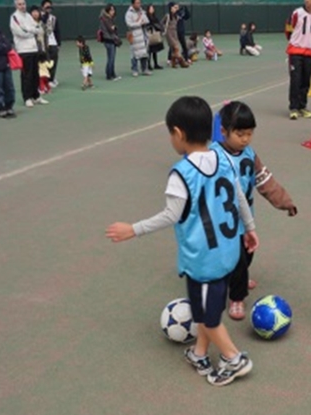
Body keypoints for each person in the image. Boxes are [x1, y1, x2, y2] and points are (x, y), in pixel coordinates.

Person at [106, 96, 259, 387]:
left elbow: (171, 215)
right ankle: (200, 353)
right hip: (228, 252)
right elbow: (240, 195)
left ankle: (234, 358)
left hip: (204, 260)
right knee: (204, 310)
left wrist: (133, 229)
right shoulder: (224, 157)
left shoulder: (182, 173)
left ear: (178, 133)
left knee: (210, 319)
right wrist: (249, 227)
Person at [210, 101, 297, 320]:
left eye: (249, 134)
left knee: (248, 254)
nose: (245, 139)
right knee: (237, 258)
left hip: (245, 219)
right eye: (240, 134)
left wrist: (285, 201)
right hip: (222, 222)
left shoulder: (249, 154)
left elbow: (265, 181)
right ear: (223, 131)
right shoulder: (213, 156)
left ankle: (238, 277)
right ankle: (237, 297)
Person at [286, 0, 311, 120]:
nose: (307, 1)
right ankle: (293, 107)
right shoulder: (297, 13)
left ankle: (302, 106)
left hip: (309, 52)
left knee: (306, 81)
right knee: (295, 80)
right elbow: (288, 28)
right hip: (295, 51)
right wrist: (294, 41)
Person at [10, 0, 48, 107]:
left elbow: (38, 29)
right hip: (23, 50)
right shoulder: (14, 17)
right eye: (19, 4)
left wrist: (30, 30)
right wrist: (32, 31)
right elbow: (21, 33)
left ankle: (36, 96)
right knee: (27, 75)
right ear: (16, 5)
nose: (22, 6)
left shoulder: (28, 16)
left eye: (23, 4)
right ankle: (27, 98)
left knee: (35, 74)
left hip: (34, 49)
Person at [125, 0, 151, 77]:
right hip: (134, 35)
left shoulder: (142, 11)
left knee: (144, 53)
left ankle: (144, 69)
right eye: (137, 3)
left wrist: (144, 22)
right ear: (133, 4)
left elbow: (146, 20)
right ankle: (134, 69)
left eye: (140, 2)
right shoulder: (129, 13)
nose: (139, 4)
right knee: (134, 54)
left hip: (143, 35)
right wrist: (139, 23)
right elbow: (129, 24)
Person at [99, 3, 122, 81]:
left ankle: (112, 74)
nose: (113, 11)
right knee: (111, 58)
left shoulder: (109, 18)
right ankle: (109, 75)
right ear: (108, 10)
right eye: (111, 10)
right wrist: (114, 27)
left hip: (112, 40)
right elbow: (111, 29)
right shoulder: (105, 18)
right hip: (108, 40)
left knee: (112, 58)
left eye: (113, 10)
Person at [40, 0, 60, 88]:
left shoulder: (53, 18)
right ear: (42, 7)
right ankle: (45, 80)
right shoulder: (39, 17)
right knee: (45, 62)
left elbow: (57, 31)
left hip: (53, 42)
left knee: (53, 61)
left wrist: (58, 43)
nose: (49, 8)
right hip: (43, 43)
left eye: (50, 6)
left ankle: (51, 78)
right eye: (46, 6)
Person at [162, 2, 188, 68]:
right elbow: (161, 23)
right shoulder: (167, 16)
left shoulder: (176, 16)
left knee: (174, 49)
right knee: (176, 48)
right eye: (174, 7)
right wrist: (165, 29)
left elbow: (185, 17)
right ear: (170, 8)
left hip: (175, 33)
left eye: (176, 8)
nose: (175, 9)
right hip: (169, 34)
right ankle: (182, 62)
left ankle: (173, 63)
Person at [145, 4, 164, 69]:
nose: (152, 10)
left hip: (155, 35)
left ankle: (156, 64)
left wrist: (159, 28)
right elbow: (146, 25)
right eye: (150, 9)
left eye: (152, 8)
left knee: (155, 51)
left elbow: (158, 24)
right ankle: (148, 65)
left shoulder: (155, 17)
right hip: (149, 35)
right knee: (149, 51)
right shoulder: (146, 17)